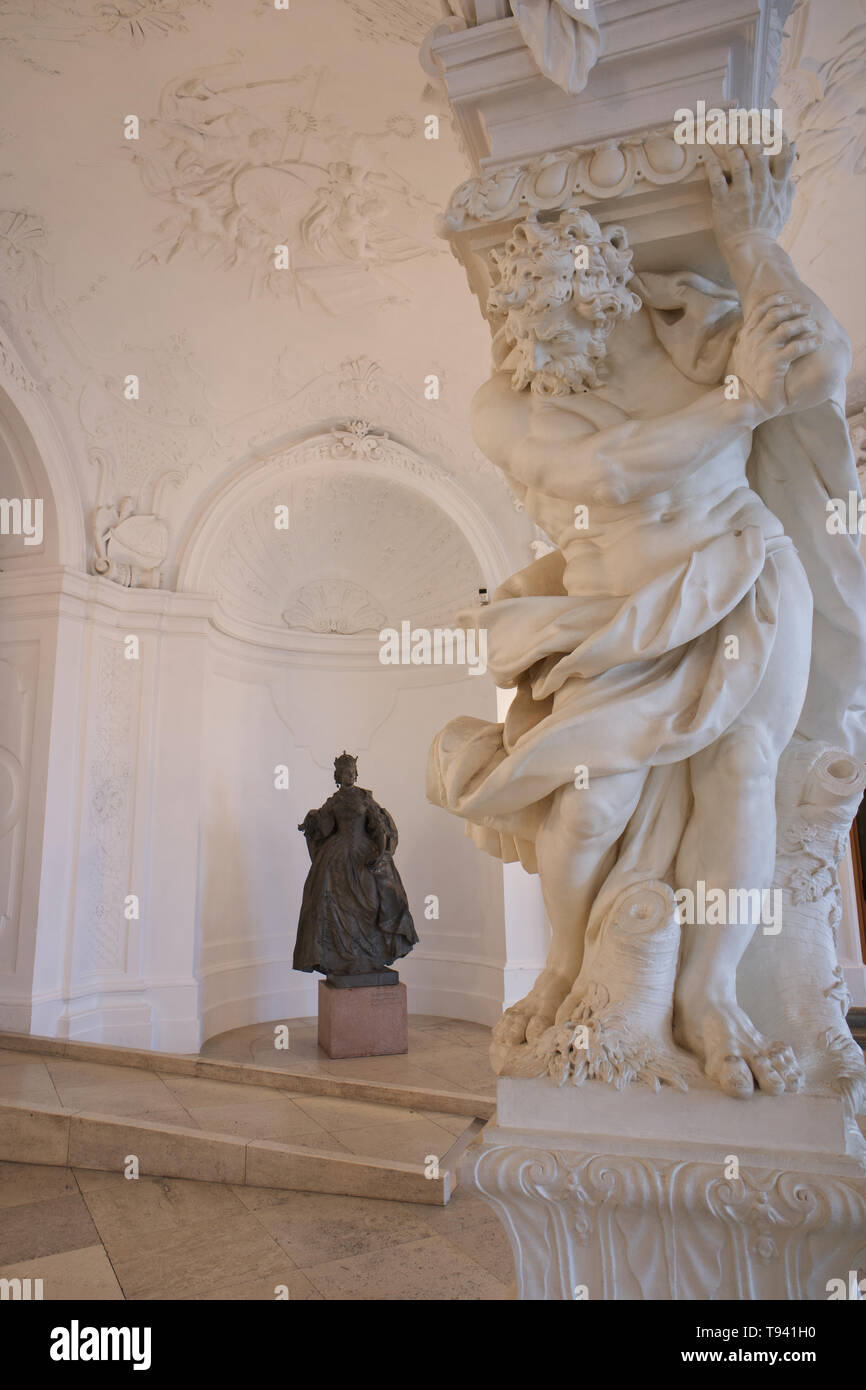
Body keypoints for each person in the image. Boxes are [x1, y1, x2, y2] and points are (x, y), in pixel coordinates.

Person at [294, 752, 418, 977]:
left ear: (356, 774)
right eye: (344, 772)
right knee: (332, 903)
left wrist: (381, 854)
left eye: (351, 772)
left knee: (373, 902)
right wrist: (312, 820)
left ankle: (371, 954)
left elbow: (379, 827)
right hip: (337, 858)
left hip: (364, 856)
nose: (348, 775)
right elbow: (324, 828)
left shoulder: (365, 799)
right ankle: (342, 957)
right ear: (337, 776)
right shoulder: (334, 802)